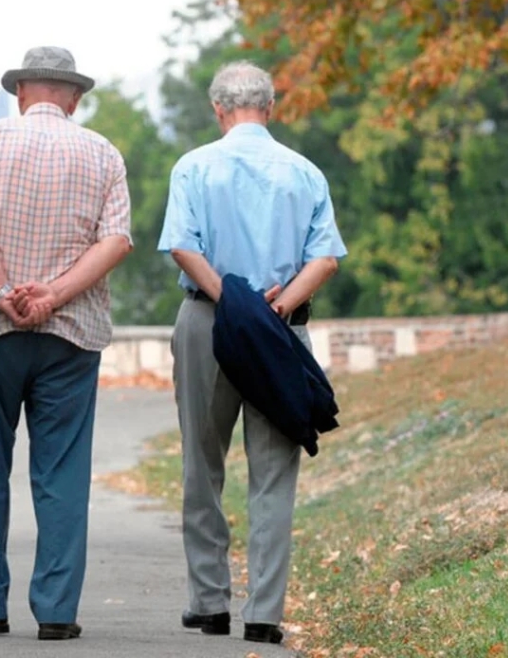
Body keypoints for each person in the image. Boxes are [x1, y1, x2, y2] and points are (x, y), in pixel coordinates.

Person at [0, 46, 132, 641]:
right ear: (73, 99)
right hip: (71, 336)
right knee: (62, 474)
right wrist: (50, 296)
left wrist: (4, 294)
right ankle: (56, 611)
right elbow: (116, 242)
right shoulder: (102, 151)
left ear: (21, 92)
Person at [157, 60, 347, 645]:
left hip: (209, 322)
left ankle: (209, 602)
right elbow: (326, 258)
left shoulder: (194, 167)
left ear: (218, 109)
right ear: (271, 107)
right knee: (272, 476)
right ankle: (264, 613)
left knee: (202, 465)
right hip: (281, 331)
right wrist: (276, 306)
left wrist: (232, 300)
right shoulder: (304, 172)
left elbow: (182, 249)